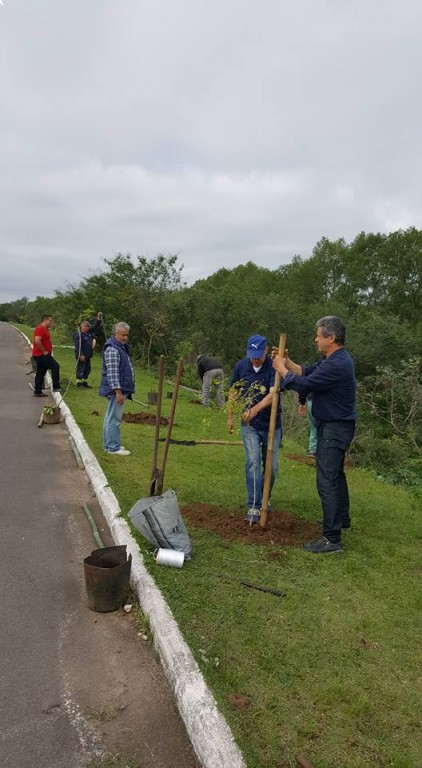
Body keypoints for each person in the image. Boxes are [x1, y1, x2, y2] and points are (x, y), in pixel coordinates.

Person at [273, 316, 356, 554]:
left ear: (332, 337)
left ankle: (332, 538)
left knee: (326, 480)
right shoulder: (332, 359)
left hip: (335, 427)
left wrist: (281, 370)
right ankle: (341, 519)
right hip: (334, 426)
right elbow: (305, 372)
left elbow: (304, 385)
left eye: (319, 336)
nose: (316, 339)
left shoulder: (337, 364)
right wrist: (287, 362)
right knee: (335, 475)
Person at [227, 334, 282, 522]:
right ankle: (254, 505)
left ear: (266, 351)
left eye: (258, 355)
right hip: (249, 425)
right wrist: (230, 417)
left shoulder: (274, 368)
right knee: (253, 462)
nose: (255, 359)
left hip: (272, 425)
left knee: (271, 467)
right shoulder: (241, 366)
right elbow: (233, 391)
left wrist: (255, 409)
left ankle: (265, 499)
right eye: (252, 355)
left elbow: (273, 394)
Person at [99, 322, 135, 456]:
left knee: (110, 417)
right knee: (114, 419)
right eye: (123, 335)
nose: (125, 338)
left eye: (127, 335)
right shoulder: (113, 349)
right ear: (115, 334)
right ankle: (113, 447)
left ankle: (107, 444)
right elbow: (112, 373)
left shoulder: (120, 347)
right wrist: (118, 392)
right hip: (117, 390)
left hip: (119, 389)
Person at [31, 315, 61, 397]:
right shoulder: (40, 328)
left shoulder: (45, 329)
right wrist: (44, 351)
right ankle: (56, 387)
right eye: (50, 321)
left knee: (41, 372)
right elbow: (37, 340)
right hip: (41, 355)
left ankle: (37, 391)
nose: (51, 322)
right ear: (45, 320)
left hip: (42, 354)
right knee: (55, 366)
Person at [73, 312, 103, 389]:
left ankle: (84, 383)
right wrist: (81, 355)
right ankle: (79, 384)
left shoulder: (89, 333)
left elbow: (94, 326)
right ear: (81, 326)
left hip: (88, 355)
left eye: (88, 326)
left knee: (87, 370)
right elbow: (78, 346)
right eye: (85, 326)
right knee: (81, 369)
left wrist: (98, 319)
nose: (87, 327)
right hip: (82, 356)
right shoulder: (78, 335)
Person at [298, 392, 317, 457]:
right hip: (324, 401)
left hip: (311, 400)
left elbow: (303, 387)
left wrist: (302, 402)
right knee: (322, 427)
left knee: (313, 427)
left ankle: (312, 449)